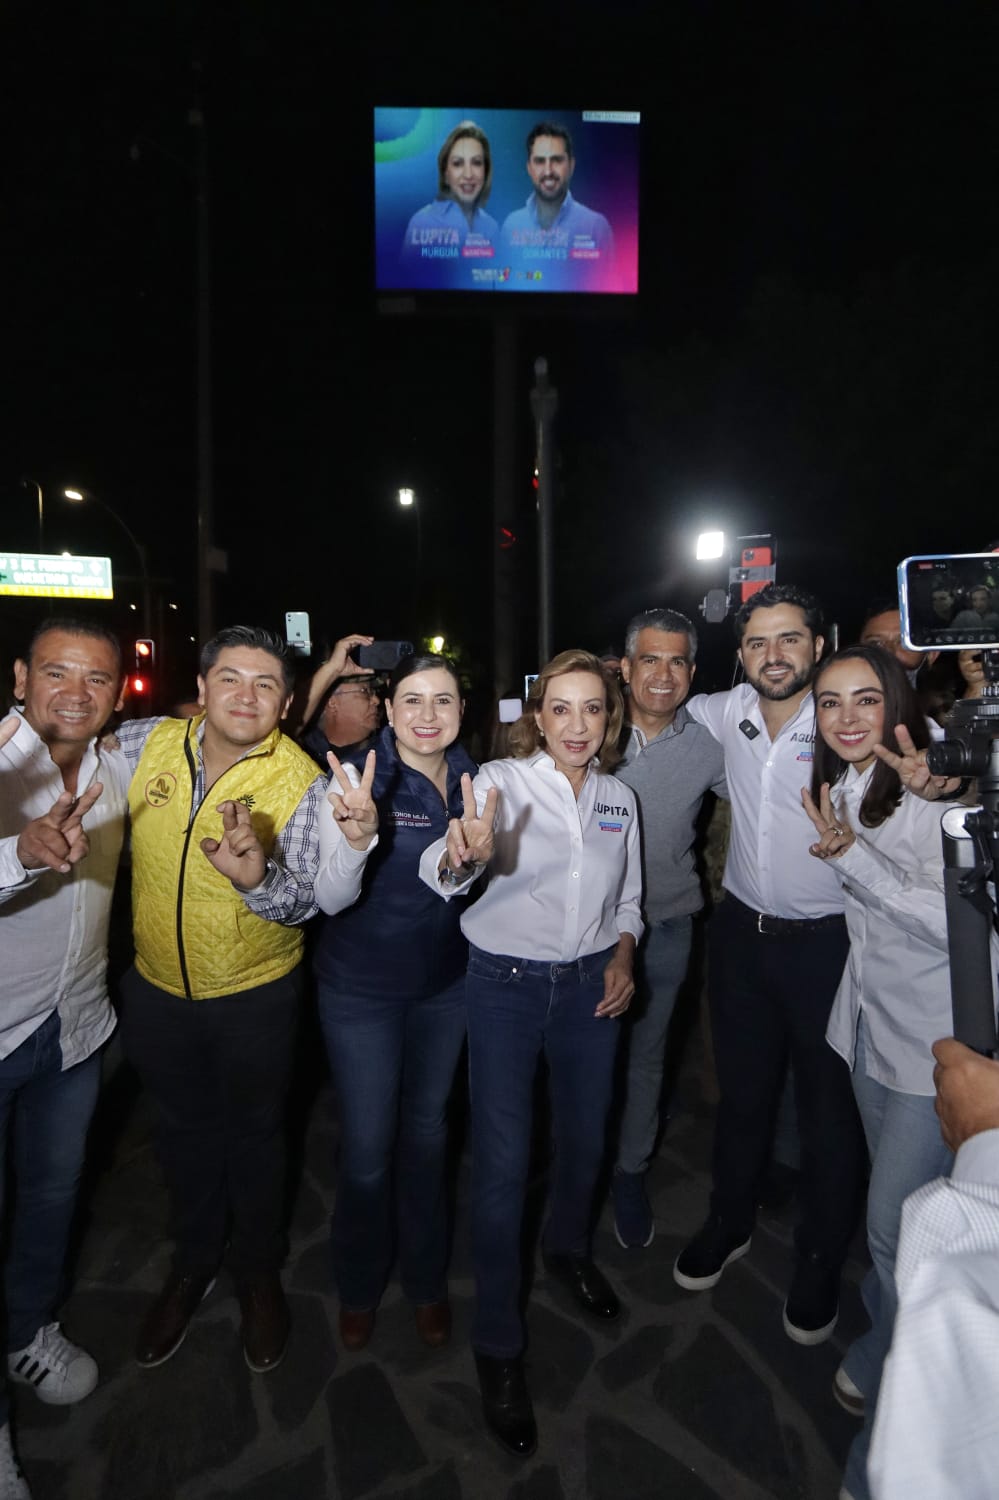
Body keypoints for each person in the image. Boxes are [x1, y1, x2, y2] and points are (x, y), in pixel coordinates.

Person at [115, 626, 376, 1377]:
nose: (246, 695)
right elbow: (64, 750)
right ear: (201, 688)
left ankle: (258, 1274)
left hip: (255, 996)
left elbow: (308, 906)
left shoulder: (303, 781)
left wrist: (257, 880)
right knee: (181, 1135)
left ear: (287, 703)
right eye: (230, 678)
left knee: (257, 1139)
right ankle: (193, 1263)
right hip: (155, 989)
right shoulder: (144, 743)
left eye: (266, 684)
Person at [421, 649, 642, 1457]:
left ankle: (567, 1249)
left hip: (590, 988)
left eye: (593, 709)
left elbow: (629, 899)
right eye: (561, 708)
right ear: (537, 718)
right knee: (504, 1165)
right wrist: (461, 856)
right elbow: (443, 867)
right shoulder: (499, 783)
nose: (577, 725)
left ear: (608, 719)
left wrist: (623, 956)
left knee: (585, 1141)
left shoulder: (618, 798)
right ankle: (497, 1342)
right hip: (505, 987)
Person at [674, 584, 864, 1348]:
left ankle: (818, 1258)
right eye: (756, 642)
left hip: (830, 944)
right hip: (742, 937)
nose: (772, 655)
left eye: (789, 639)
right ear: (741, 653)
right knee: (742, 1097)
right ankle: (729, 1219)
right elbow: (655, 702)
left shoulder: (847, 718)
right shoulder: (727, 711)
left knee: (828, 1113)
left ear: (819, 645)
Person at [802, 645, 954, 1500]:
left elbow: (960, 926)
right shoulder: (848, 788)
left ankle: (908, 1377)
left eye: (865, 699)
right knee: (892, 1218)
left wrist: (851, 861)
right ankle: (880, 1344)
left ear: (896, 702)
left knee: (897, 1230)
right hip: (865, 1025)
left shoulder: (935, 793)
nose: (847, 718)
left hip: (934, 1047)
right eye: (830, 703)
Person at [0, 619, 131, 1500]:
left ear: (117, 695)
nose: (76, 693)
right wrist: (18, 853)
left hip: (76, 1031)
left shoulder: (117, 766)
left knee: (49, 1204)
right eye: (57, 672)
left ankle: (25, 1332)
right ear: (20, 677)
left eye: (96, 679)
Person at [313, 654, 477, 1353]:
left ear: (461, 710)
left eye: (443, 700)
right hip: (361, 993)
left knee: (430, 1137)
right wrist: (357, 840)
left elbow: (472, 890)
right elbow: (329, 898)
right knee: (368, 1149)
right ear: (388, 707)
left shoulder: (476, 779)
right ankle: (358, 1285)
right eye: (412, 699)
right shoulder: (357, 777)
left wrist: (478, 863)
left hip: (447, 988)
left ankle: (426, 1279)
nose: (427, 715)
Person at [610, 608, 727, 1248]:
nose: (663, 674)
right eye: (650, 659)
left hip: (669, 922)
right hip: (587, 928)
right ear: (626, 668)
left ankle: (630, 1170)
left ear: (692, 671)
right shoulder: (590, 728)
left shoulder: (709, 747)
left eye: (676, 661)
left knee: (648, 1056)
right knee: (582, 1055)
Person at [867, 1038, 999, 1499]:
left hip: (947, 1050)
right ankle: (877, 1346)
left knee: (889, 1228)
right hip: (875, 1019)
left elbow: (960, 1301)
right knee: (884, 1227)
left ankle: (873, 1427)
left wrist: (989, 1138)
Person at [499, 122, 614, 274]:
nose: (548, 171)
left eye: (557, 160)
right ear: (529, 168)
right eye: (540, 161)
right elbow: (503, 281)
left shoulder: (596, 228)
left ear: (571, 166)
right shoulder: (511, 226)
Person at [401, 122, 498, 267]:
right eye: (458, 163)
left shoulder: (491, 227)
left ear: (486, 171)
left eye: (476, 163)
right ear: (446, 175)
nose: (468, 174)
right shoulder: (421, 222)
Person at [295, 633, 380, 770]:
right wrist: (332, 669)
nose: (376, 700)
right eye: (365, 691)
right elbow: (288, 725)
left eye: (374, 692)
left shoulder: (385, 756)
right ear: (332, 703)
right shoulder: (298, 751)